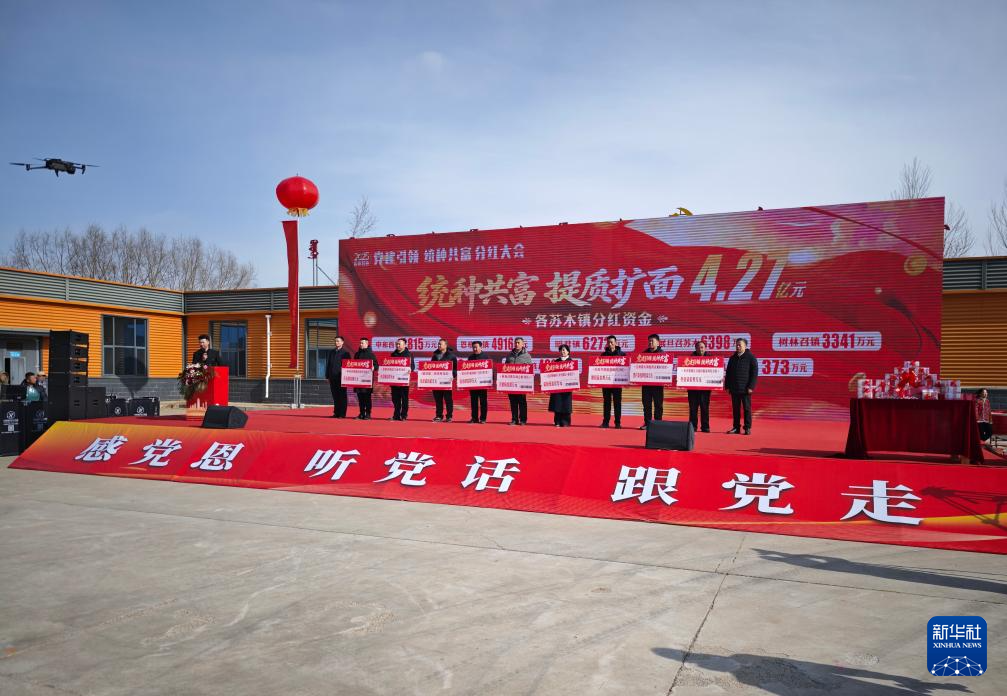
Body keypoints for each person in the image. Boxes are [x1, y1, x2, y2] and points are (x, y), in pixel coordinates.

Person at [725, 338, 758, 434]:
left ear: (745, 346)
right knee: (736, 409)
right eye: (737, 345)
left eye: (740, 345)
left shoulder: (751, 357)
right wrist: (727, 386)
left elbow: (754, 373)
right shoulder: (732, 358)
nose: (738, 347)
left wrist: (751, 386)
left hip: (745, 389)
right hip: (734, 388)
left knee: (747, 409)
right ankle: (736, 427)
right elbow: (728, 373)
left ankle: (747, 427)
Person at [504, 337, 532, 425]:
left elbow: (530, 369)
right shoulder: (509, 355)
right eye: (515, 342)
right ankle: (514, 419)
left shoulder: (527, 356)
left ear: (523, 344)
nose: (517, 344)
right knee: (513, 402)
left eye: (518, 343)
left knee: (522, 402)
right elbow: (504, 368)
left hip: (521, 384)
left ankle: (523, 420)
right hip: (511, 384)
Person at [639, 333, 665, 430]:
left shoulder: (663, 355)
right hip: (646, 384)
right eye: (649, 341)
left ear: (658, 343)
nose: (650, 343)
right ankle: (647, 423)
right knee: (646, 405)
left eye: (652, 341)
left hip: (658, 385)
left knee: (658, 405)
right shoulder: (643, 354)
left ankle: (658, 424)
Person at [686, 340, 712, 433]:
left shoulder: (711, 359)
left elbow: (715, 373)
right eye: (698, 347)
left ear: (705, 348)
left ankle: (705, 427)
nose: (700, 349)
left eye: (702, 347)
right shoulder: (689, 359)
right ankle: (693, 426)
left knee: (705, 408)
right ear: (695, 348)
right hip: (693, 389)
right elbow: (685, 372)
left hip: (705, 389)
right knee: (693, 409)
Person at [430, 339, 457, 422]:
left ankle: (449, 416)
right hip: (437, 382)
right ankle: (439, 415)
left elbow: (455, 369)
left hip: (446, 381)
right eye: (438, 344)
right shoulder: (435, 356)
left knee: (448, 399)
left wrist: (453, 375)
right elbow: (431, 367)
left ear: (445, 345)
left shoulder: (452, 356)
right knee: (438, 399)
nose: (439, 346)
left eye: (440, 344)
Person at [600, 335, 624, 429]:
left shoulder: (622, 355)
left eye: (612, 342)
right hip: (606, 383)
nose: (610, 344)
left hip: (617, 383)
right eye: (608, 342)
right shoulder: (603, 355)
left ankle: (617, 422)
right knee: (607, 403)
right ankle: (605, 422)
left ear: (616, 343)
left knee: (617, 403)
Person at [325, 335, 352, 418]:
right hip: (332, 377)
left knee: (342, 396)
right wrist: (327, 376)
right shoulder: (331, 352)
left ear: (342, 342)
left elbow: (348, 366)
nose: (336, 342)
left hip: (341, 378)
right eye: (335, 341)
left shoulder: (345, 353)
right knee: (335, 396)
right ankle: (336, 413)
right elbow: (328, 364)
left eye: (338, 341)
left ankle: (342, 414)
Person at [547, 344, 574, 427]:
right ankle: (557, 421)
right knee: (557, 404)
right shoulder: (556, 361)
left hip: (567, 387)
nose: (562, 352)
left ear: (568, 351)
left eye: (564, 350)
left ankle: (565, 422)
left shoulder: (571, 362)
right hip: (557, 387)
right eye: (561, 350)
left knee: (566, 404)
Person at [354, 338, 377, 420]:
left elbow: (376, 365)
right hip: (358, 380)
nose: (361, 344)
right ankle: (361, 413)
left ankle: (368, 414)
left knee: (367, 398)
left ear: (367, 344)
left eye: (362, 343)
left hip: (367, 380)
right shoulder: (357, 354)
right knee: (360, 398)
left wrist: (374, 367)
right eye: (360, 343)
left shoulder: (371, 354)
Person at [466, 340, 489, 423]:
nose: (474, 349)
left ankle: (483, 418)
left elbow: (489, 370)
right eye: (473, 347)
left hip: (483, 384)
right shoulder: (470, 357)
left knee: (483, 402)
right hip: (473, 383)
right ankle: (474, 418)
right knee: (473, 401)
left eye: (476, 347)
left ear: (481, 347)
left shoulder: (485, 357)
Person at [389, 338, 412, 421]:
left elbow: (412, 366)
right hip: (394, 381)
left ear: (404, 345)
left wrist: (410, 369)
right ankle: (396, 415)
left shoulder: (408, 354)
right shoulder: (393, 354)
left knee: (404, 399)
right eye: (397, 344)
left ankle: (404, 415)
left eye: (399, 344)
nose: (398, 345)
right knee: (395, 399)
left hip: (404, 380)